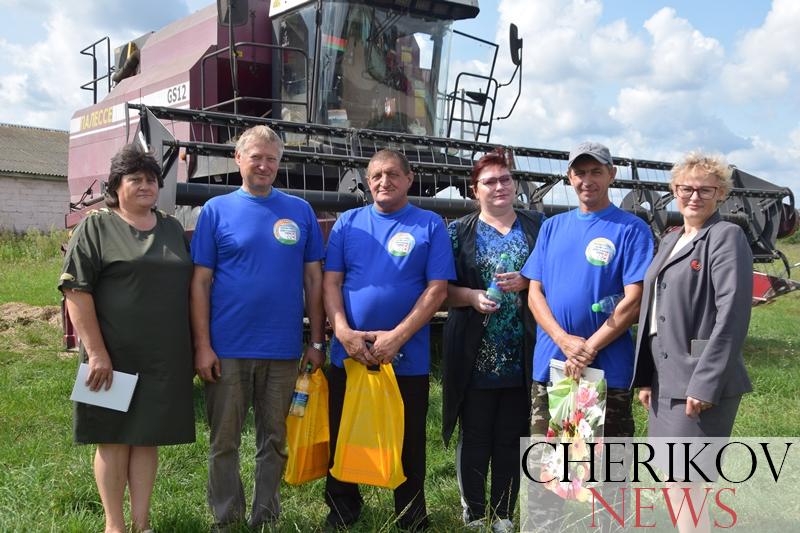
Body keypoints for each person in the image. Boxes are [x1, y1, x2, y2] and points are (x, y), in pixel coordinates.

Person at [190, 125, 326, 529]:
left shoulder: (300, 211)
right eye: (256, 157)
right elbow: (199, 282)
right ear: (238, 160)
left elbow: (314, 281)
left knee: (275, 442)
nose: (264, 165)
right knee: (224, 442)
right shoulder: (216, 211)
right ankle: (226, 519)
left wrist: (316, 341)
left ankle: (264, 517)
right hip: (227, 347)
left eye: (271, 158)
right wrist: (202, 346)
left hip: (282, 350)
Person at [60, 144, 195, 533]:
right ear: (116, 185)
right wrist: (97, 353)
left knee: (146, 436)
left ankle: (142, 523)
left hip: (163, 355)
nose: (145, 186)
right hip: (111, 354)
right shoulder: (96, 225)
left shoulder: (170, 227)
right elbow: (76, 291)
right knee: (113, 438)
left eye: (151, 179)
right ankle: (114, 525)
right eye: (135, 179)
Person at [520, 141, 653, 524]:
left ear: (611, 176)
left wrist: (588, 348)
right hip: (554, 369)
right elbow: (534, 292)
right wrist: (564, 342)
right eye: (580, 172)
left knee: (606, 471)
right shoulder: (552, 227)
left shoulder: (631, 229)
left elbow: (634, 299)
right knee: (550, 467)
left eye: (597, 172)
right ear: (569, 177)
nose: (587, 180)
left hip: (605, 372)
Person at [322, 149, 455, 531]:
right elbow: (331, 282)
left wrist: (397, 337)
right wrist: (344, 332)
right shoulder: (348, 223)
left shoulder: (429, 224)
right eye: (377, 175)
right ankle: (342, 509)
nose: (385, 181)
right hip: (348, 353)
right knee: (342, 432)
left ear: (409, 179)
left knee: (409, 439)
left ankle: (411, 515)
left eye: (393, 174)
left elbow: (437, 289)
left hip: (405, 355)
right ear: (368, 181)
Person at [632, 152, 753, 532]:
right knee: (671, 478)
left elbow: (731, 315)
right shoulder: (671, 239)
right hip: (666, 382)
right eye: (686, 188)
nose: (694, 196)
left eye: (705, 189)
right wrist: (648, 376)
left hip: (699, 381)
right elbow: (654, 311)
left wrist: (705, 382)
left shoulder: (725, 237)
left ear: (721, 194)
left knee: (691, 481)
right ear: (674, 191)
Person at [441, 148, 543, 532]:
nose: (499, 187)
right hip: (474, 354)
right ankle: (474, 512)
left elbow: (554, 279)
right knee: (476, 435)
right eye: (489, 181)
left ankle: (503, 513)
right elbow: (440, 289)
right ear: (474, 190)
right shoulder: (459, 231)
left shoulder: (538, 226)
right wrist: (470, 297)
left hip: (524, 354)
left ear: (514, 184)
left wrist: (528, 281)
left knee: (510, 438)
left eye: (505, 179)